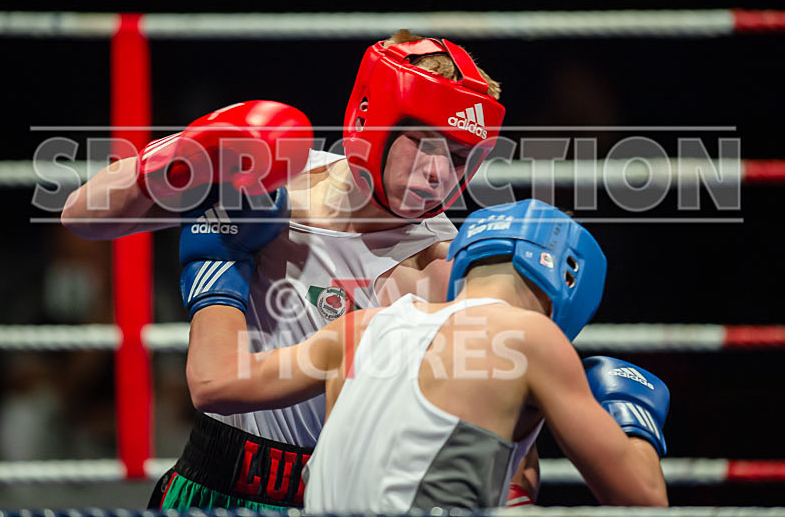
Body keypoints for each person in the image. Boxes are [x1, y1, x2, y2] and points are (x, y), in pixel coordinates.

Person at [61, 30, 534, 509]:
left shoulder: (444, 269)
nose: (440, 174)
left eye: (460, 158)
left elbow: (499, 437)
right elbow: (83, 216)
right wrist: (186, 152)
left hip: (333, 496)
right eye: (425, 144)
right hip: (208, 477)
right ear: (372, 118)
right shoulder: (273, 174)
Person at [184, 199, 670, 510]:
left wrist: (216, 282)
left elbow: (217, 382)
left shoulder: (360, 327)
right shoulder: (530, 339)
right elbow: (643, 500)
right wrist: (633, 418)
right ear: (570, 280)